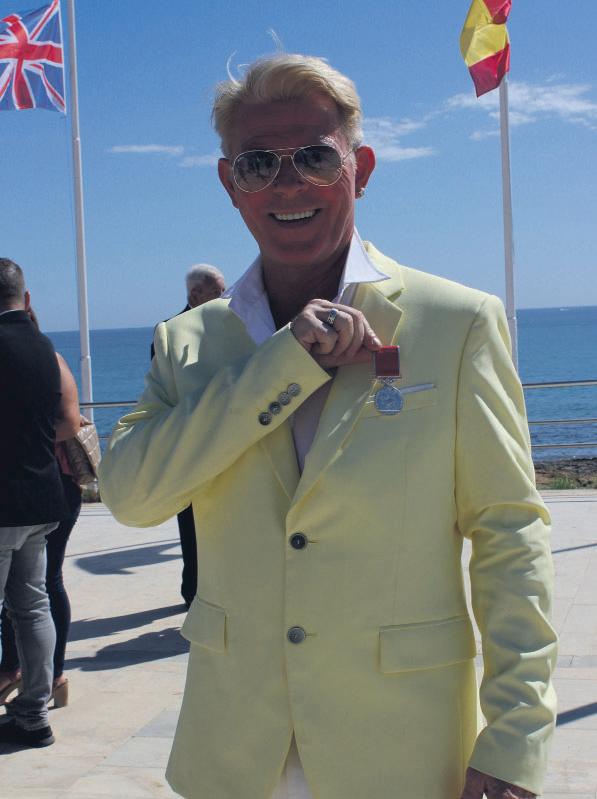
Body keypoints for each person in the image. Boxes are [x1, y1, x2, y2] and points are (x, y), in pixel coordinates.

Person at [99, 54, 557, 799]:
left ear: (360, 169)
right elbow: (131, 495)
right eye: (258, 164)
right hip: (234, 758)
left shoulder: (458, 323)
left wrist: (516, 738)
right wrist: (283, 362)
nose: (288, 184)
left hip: (403, 751)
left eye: (314, 157)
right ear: (229, 184)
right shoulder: (188, 343)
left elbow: (509, 534)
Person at [0, 258, 79, 748]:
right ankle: (34, 712)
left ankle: (31, 712)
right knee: (32, 606)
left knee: (28, 605)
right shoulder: (45, 348)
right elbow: (65, 421)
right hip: (41, 496)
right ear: (25, 298)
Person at [151, 263, 226, 608]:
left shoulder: (225, 326)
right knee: (192, 527)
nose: (224, 298)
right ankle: (193, 595)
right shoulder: (169, 332)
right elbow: (167, 389)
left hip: (223, 441)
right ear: (195, 294)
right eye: (217, 292)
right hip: (188, 443)